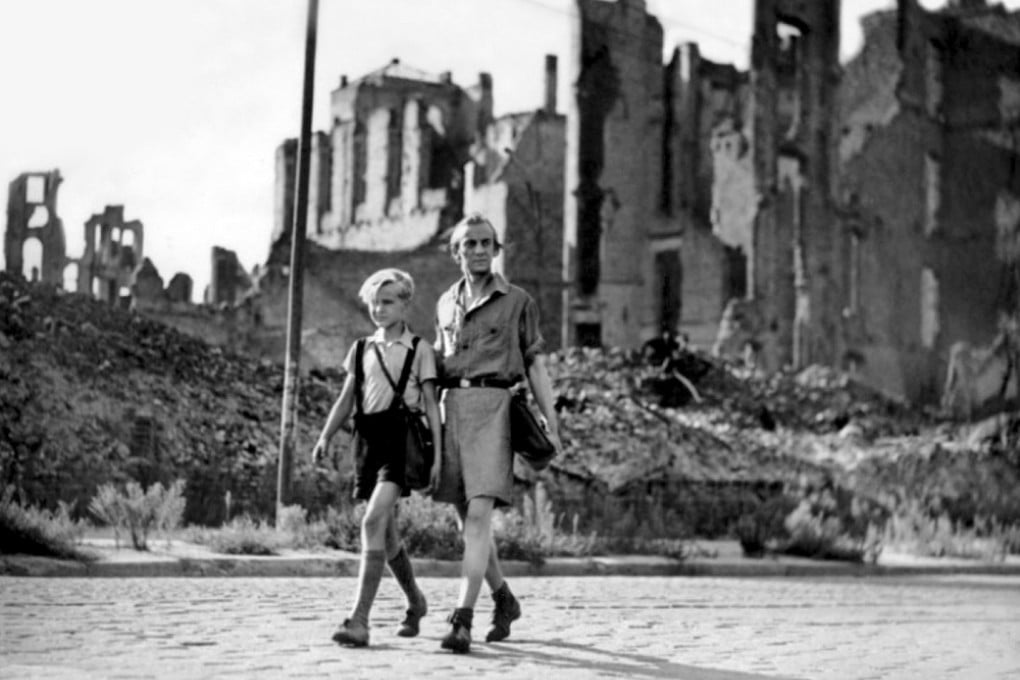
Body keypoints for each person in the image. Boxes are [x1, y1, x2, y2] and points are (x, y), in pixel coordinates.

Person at [432, 213, 562, 654]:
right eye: (469, 244)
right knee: (464, 521)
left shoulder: (518, 301)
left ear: (496, 249)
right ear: (457, 252)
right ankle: (504, 598)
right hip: (452, 410)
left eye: (486, 242)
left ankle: (462, 619)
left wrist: (552, 423)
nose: (479, 250)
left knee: (478, 518)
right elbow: (438, 361)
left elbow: (536, 365)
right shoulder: (444, 302)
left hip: (494, 410)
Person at [311, 268, 442, 648]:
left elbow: (432, 406)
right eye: (374, 303)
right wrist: (325, 435)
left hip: (402, 442)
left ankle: (359, 621)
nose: (379, 309)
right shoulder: (361, 348)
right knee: (386, 532)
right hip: (368, 441)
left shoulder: (419, 350)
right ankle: (416, 601)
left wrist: (438, 455)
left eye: (388, 302)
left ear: (405, 304)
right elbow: (346, 399)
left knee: (371, 520)